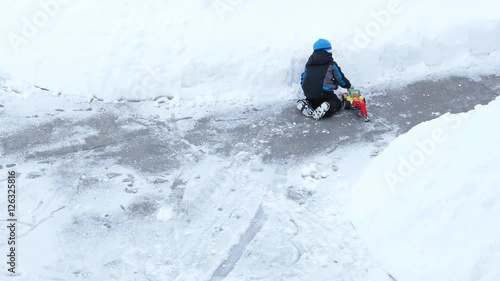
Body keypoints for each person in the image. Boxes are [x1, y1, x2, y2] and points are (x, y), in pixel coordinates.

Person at [297, 39, 352, 120]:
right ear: (328, 51)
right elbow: (340, 79)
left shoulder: (309, 63)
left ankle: (307, 103)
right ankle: (327, 106)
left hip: (308, 92)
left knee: (314, 102)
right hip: (324, 93)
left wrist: (306, 88)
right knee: (337, 103)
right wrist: (348, 86)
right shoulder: (331, 64)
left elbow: (303, 78)